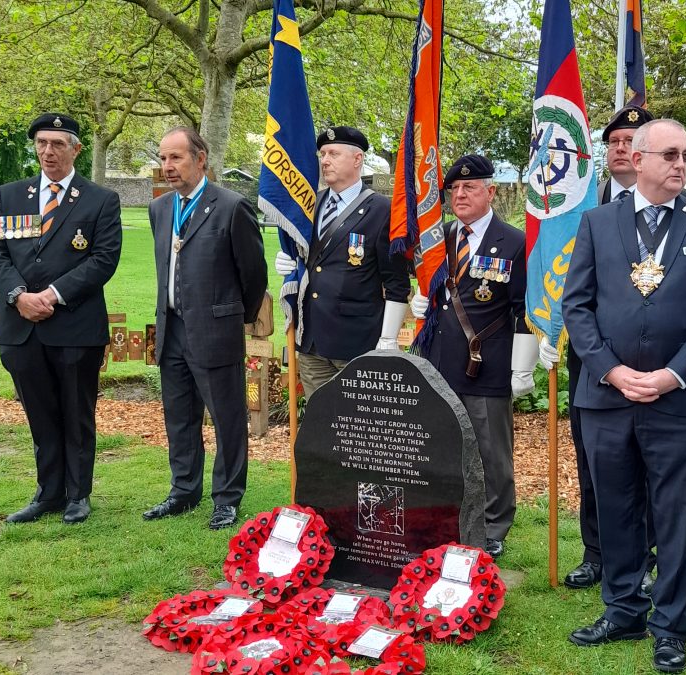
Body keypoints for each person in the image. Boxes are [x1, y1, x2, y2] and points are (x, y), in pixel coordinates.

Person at [562, 119, 686, 673]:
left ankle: (669, 624)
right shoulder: (597, 222)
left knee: (677, 514)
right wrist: (611, 371)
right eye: (670, 154)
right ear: (637, 161)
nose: (681, 163)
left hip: (677, 400)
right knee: (614, 507)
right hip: (607, 397)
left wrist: (671, 375)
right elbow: (577, 307)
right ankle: (623, 609)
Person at [0, 112, 123, 525]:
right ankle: (48, 493)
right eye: (42, 143)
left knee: (76, 413)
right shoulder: (10, 195)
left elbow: (103, 260)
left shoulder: (100, 199)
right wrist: (18, 296)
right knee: (39, 413)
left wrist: (52, 295)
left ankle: (78, 494)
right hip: (19, 327)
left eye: (58, 144)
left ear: (75, 149)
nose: (48, 151)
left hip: (74, 326)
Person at [546, 103, 656, 591]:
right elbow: (567, 282)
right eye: (612, 142)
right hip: (593, 360)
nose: (620, 148)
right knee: (593, 461)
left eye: (630, 141)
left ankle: (648, 554)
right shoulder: (578, 204)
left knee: (650, 466)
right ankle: (597, 552)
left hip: (656, 366)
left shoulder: (684, 208)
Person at [409, 154, 538, 559]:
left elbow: (524, 310)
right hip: (439, 361)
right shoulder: (441, 237)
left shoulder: (514, 242)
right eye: (454, 190)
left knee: (490, 451)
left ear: (491, 191)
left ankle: (494, 524)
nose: (460, 195)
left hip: (487, 363)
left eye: (470, 187)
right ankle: (447, 516)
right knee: (442, 444)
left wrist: (522, 367)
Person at [142, 126, 267, 530]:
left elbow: (254, 276)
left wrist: (231, 315)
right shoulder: (160, 209)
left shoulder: (231, 206)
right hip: (172, 329)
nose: (167, 167)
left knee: (226, 418)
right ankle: (183, 490)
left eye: (175, 157)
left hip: (214, 331)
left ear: (201, 159)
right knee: (178, 416)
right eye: (163, 158)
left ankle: (226, 499)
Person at [274, 126, 410, 397]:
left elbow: (396, 281)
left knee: (357, 429)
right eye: (323, 154)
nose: (324, 161)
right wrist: (289, 262)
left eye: (334, 154)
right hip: (311, 338)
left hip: (356, 343)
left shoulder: (382, 211)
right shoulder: (310, 205)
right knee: (320, 425)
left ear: (357, 159)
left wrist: (388, 338)